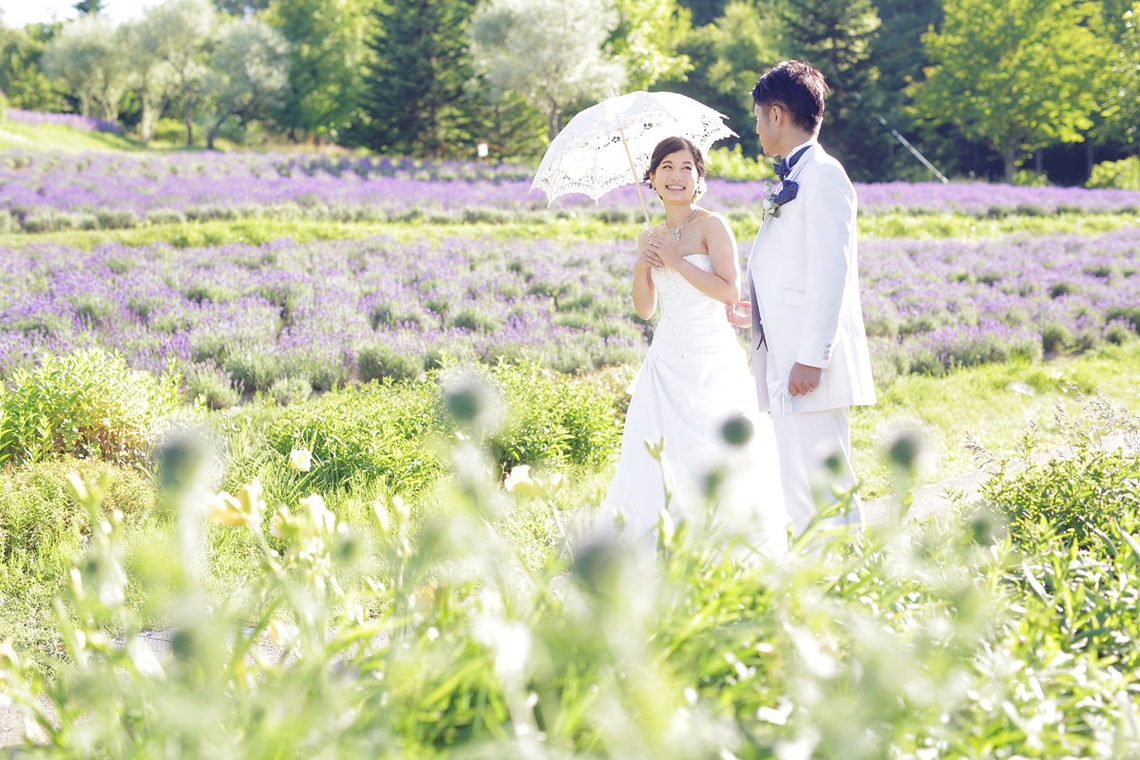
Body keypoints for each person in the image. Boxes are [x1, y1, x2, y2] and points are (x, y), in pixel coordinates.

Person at [592, 136, 788, 554]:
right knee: (660, 458)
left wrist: (677, 262)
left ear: (699, 177)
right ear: (652, 178)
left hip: (711, 359)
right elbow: (646, 310)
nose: (676, 176)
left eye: (686, 167)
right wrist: (642, 266)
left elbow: (729, 291)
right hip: (665, 362)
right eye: (666, 167)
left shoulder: (712, 225)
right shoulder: (650, 234)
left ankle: (722, 542)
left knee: (717, 452)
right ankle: (662, 546)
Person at [727, 60, 876, 535]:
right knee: (796, 486)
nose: (755, 129)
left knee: (826, 483)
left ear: (776, 114)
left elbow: (832, 272)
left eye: (756, 117)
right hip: (782, 357)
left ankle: (852, 580)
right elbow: (790, 266)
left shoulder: (824, 175)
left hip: (808, 364)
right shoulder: (796, 175)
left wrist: (812, 358)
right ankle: (813, 583)